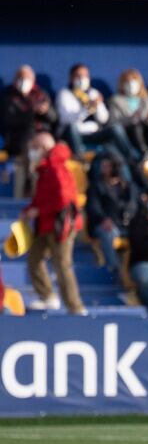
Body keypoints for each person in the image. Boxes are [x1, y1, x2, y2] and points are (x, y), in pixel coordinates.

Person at [20, 133, 84, 314]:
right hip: (45, 225)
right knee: (34, 259)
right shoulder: (44, 169)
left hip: (59, 225)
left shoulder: (57, 168)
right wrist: (29, 210)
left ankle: (76, 308)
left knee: (62, 265)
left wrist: (39, 211)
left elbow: (64, 199)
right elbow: (41, 198)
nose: (31, 152)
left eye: (34, 148)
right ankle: (48, 296)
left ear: (43, 148)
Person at [56, 63, 142, 167]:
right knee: (71, 127)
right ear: (71, 78)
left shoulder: (93, 92)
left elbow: (104, 119)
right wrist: (87, 109)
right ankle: (80, 160)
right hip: (76, 135)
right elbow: (66, 120)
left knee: (115, 128)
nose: (82, 79)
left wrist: (98, 106)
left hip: (94, 133)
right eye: (78, 76)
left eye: (85, 76)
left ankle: (131, 158)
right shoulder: (64, 94)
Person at [3, 65, 58, 192]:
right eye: (20, 78)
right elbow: (8, 120)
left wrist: (45, 111)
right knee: (30, 138)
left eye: (27, 78)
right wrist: (31, 111)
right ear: (15, 79)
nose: (23, 81)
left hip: (41, 138)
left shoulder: (40, 94)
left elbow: (54, 118)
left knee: (47, 144)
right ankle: (29, 179)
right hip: (17, 139)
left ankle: (42, 187)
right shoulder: (8, 96)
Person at [84, 154, 139, 277]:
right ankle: (114, 269)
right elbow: (93, 207)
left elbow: (133, 206)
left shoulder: (128, 187)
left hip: (126, 223)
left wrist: (129, 217)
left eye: (107, 166)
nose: (103, 169)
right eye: (103, 166)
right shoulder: (96, 186)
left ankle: (133, 269)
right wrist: (103, 219)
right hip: (103, 223)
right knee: (108, 233)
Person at [107, 69, 148, 160]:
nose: (131, 85)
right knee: (136, 125)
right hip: (129, 132)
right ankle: (144, 152)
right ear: (122, 84)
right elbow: (113, 122)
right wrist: (131, 119)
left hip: (145, 129)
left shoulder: (145, 98)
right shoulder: (115, 100)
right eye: (127, 82)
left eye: (134, 82)